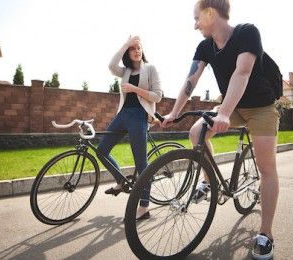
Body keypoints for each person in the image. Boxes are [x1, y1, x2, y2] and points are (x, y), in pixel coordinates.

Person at [160, 1, 279, 259]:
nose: (195, 25)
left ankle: (266, 234)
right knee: (196, 132)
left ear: (210, 13)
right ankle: (208, 181)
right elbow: (191, 81)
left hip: (260, 107)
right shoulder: (205, 46)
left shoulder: (247, 32)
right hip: (231, 105)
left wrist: (224, 112)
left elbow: (242, 71)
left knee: (267, 168)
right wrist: (175, 112)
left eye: (196, 18)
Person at [97, 35, 163, 220]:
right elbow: (111, 66)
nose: (137, 50)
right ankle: (121, 181)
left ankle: (144, 207)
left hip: (138, 117)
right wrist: (126, 43)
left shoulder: (150, 69)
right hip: (123, 115)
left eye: (139, 47)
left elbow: (157, 96)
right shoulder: (125, 71)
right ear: (128, 52)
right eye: (133, 48)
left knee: (142, 164)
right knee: (101, 150)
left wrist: (135, 90)